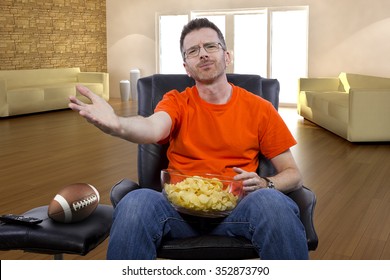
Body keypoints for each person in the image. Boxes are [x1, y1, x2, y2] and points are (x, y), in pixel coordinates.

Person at [68, 18, 308, 259]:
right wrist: (117, 125)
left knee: (271, 202)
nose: (202, 54)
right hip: (175, 212)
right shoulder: (176, 101)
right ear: (186, 66)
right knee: (135, 201)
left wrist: (267, 183)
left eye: (210, 46)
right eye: (193, 50)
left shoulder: (260, 109)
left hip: (238, 211)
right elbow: (152, 127)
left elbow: (293, 174)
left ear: (227, 56)